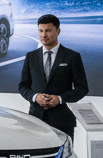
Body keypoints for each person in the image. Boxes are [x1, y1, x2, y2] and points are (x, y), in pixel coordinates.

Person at [18, 13, 89, 141]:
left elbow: (82, 88)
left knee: (63, 154)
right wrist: (35, 97)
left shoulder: (72, 57)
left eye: (48, 31)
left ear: (58, 31)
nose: (43, 35)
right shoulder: (31, 56)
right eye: (40, 31)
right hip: (36, 120)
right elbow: (23, 86)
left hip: (62, 121)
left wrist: (60, 99)